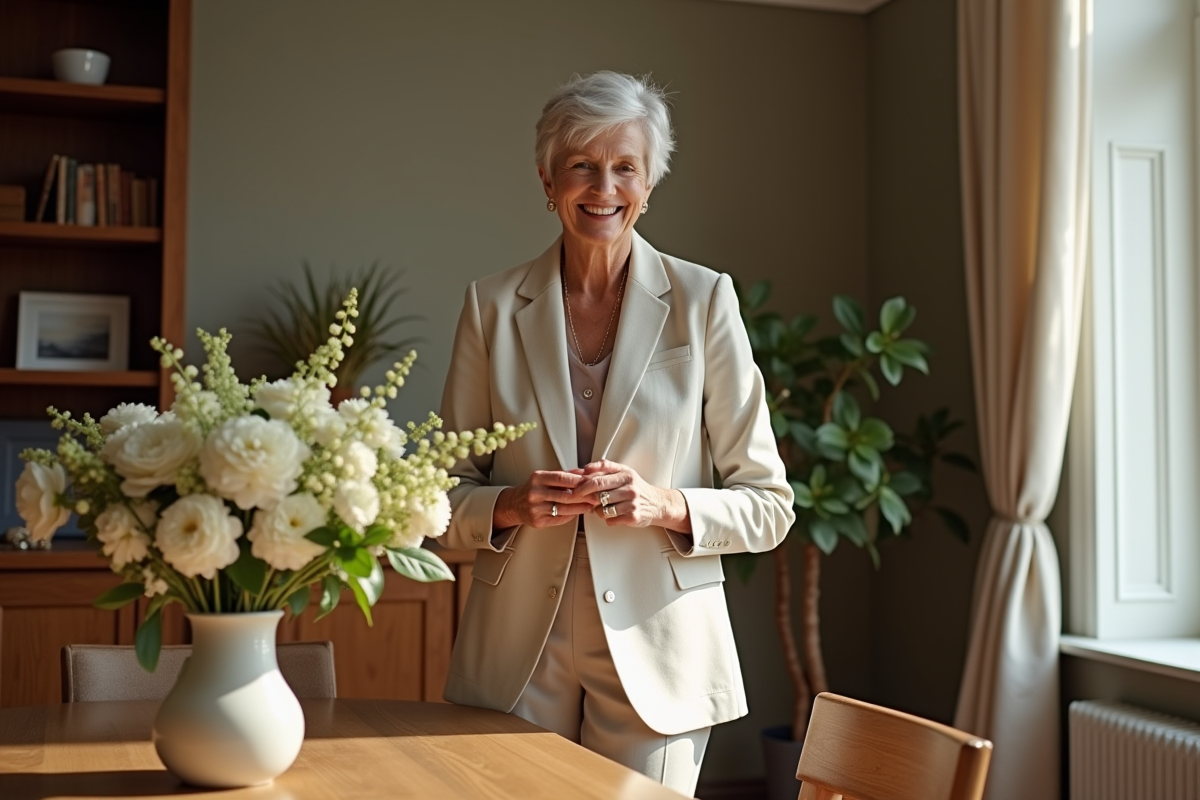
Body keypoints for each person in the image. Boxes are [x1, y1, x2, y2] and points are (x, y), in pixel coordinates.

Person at [439, 70, 793, 797]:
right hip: (516, 651)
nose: (604, 186)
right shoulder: (490, 306)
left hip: (659, 654)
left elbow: (770, 503)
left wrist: (664, 504)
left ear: (650, 183)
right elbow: (438, 496)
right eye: (583, 165)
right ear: (547, 179)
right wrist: (509, 506)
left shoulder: (704, 301)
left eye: (625, 166)